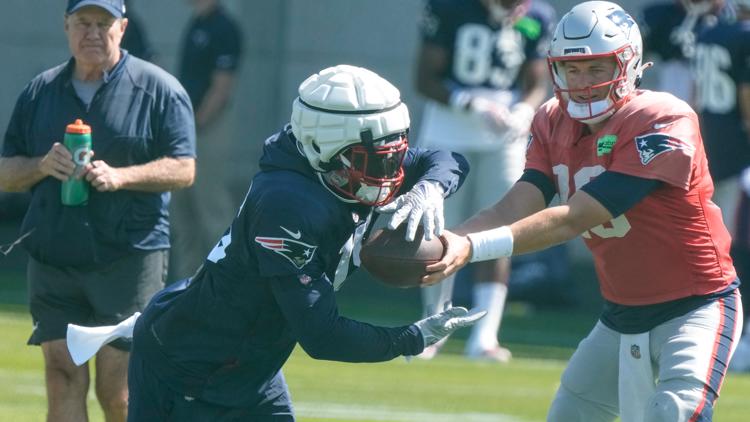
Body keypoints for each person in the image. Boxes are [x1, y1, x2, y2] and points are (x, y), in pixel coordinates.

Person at [62, 64, 480, 421]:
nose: (390, 174)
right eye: (376, 160)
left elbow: (446, 160)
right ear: (324, 148)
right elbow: (322, 336)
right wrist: (410, 338)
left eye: (393, 156)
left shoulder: (340, 159)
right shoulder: (288, 205)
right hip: (187, 367)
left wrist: (430, 190)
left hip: (251, 363)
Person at [424, 2, 743, 420]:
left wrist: (471, 250)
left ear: (627, 65)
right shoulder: (552, 120)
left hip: (694, 308)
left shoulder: (662, 118)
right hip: (618, 314)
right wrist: (451, 240)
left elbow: (576, 217)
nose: (583, 83)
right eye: (572, 70)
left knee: (672, 414)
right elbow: (520, 201)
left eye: (597, 68)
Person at [0, 0, 196, 421]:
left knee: (119, 389)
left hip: (128, 258)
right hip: (54, 256)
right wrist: (40, 166)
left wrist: (122, 176)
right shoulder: (40, 91)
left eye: (103, 23)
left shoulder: (159, 89)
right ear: (66, 27)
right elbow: (5, 172)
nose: (92, 32)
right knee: (61, 376)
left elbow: (184, 168)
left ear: (122, 28)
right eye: (82, 22)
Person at [414, 0, 555, 361]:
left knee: (499, 231)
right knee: (436, 229)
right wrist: (467, 102)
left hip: (503, 134)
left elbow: (537, 79)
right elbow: (424, 78)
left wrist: (525, 108)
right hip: (448, 130)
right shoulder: (450, 8)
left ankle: (485, 336)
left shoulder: (536, 15)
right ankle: (432, 327)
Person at [693, 0, 750, 371]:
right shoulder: (743, 36)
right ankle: (731, 337)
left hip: (713, 144)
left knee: (719, 246)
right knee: (734, 250)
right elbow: (746, 94)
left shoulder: (711, 31)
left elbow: (698, 93)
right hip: (738, 153)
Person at [169, 0, 243, 282]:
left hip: (208, 127)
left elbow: (221, 89)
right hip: (185, 127)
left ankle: (225, 283)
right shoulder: (196, 23)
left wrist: (195, 123)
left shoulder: (224, 27)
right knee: (182, 214)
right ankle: (185, 288)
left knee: (212, 210)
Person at [639, 0, 731, 102]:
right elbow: (639, 55)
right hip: (674, 81)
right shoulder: (661, 15)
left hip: (714, 87)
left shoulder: (727, 17)